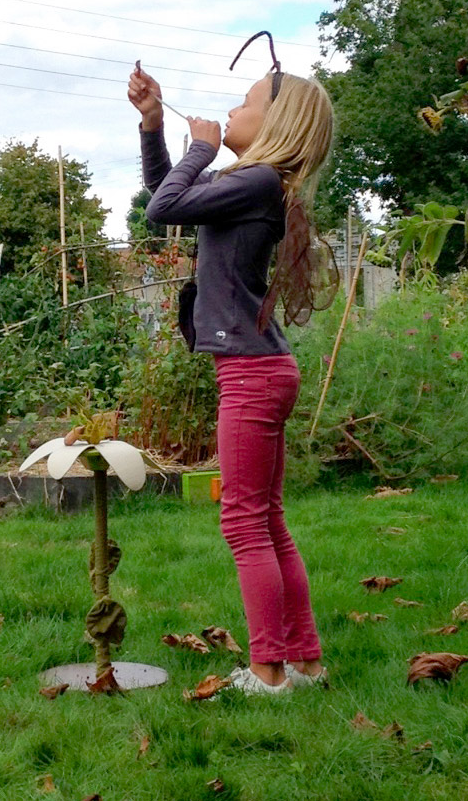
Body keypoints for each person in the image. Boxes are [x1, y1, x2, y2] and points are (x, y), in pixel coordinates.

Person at [128, 55, 335, 695]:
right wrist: (154, 125)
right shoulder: (256, 185)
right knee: (266, 518)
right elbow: (171, 200)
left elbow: (164, 209)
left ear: (277, 123)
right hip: (262, 365)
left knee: (244, 521)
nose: (232, 111)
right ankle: (302, 662)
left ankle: (268, 671)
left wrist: (200, 144)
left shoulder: (259, 180)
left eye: (244, 103)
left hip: (250, 372)